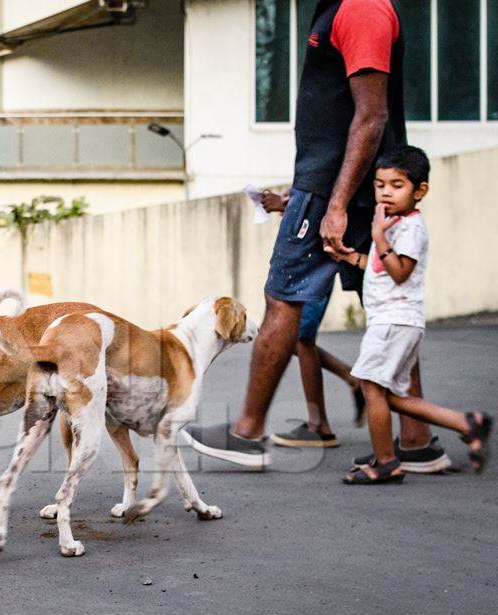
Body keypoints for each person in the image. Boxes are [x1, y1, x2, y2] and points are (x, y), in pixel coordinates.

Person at [184, 0, 446, 471]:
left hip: (332, 192)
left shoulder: (362, 8)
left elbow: (371, 118)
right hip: (331, 186)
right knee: (386, 302)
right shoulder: (341, 7)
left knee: (283, 298)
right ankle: (417, 438)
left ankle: (246, 432)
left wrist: (337, 202)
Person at [330, 146, 491, 483]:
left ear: (420, 191)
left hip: (395, 320)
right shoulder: (393, 223)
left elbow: (400, 271)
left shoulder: (410, 228)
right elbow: (379, 268)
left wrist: (378, 236)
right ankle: (467, 423)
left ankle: (386, 462)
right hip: (392, 320)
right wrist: (349, 258)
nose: (386, 192)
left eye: (397, 185)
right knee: (391, 397)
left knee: (371, 386)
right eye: (379, 184)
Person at [259, 189, 366, 450]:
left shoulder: (334, 158)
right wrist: (286, 203)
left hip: (315, 258)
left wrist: (285, 202)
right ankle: (351, 380)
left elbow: (323, 197)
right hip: (314, 254)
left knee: (300, 338)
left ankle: (320, 427)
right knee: (298, 338)